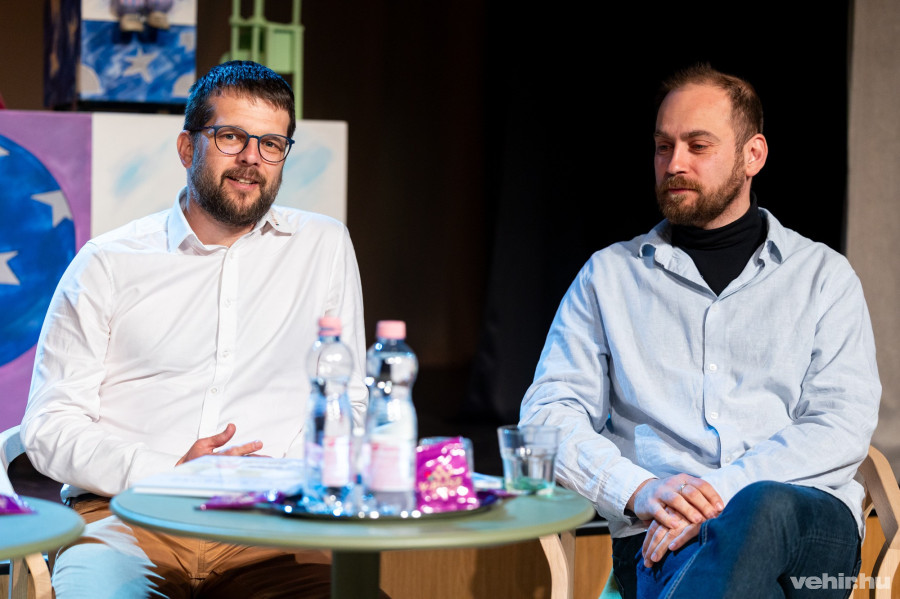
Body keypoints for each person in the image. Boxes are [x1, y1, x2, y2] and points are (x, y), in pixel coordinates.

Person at [520, 63, 881, 599]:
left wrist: (719, 492)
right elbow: (547, 417)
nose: (675, 163)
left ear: (753, 155)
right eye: (663, 147)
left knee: (762, 505)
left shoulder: (823, 277)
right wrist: (640, 490)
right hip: (660, 533)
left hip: (806, 533)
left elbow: (839, 423)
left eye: (698, 145)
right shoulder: (609, 277)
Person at [22, 61, 369, 598]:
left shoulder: (323, 246)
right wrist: (169, 472)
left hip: (270, 531)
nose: (251, 158)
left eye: (271, 144)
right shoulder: (108, 262)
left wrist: (284, 482)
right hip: (124, 520)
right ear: (188, 148)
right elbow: (49, 426)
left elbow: (348, 400)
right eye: (231, 137)